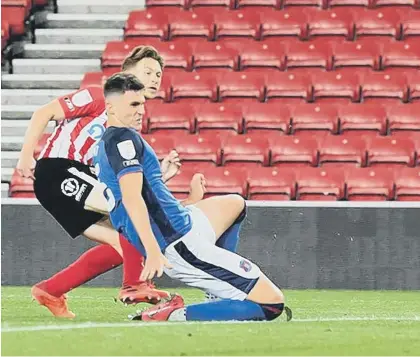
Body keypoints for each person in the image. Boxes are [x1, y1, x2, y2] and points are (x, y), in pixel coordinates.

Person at [94, 72, 291, 322]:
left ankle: (216, 292)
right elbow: (133, 200)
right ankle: (172, 315)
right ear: (110, 106)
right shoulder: (123, 140)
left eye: (143, 103)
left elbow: (143, 195)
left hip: (181, 221)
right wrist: (153, 252)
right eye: (133, 104)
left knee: (235, 204)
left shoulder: (106, 143)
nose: (141, 110)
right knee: (271, 304)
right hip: (178, 242)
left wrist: (189, 199)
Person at [16, 46, 175, 318]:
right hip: (59, 170)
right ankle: (135, 285)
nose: (154, 79)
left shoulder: (128, 121)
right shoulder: (97, 96)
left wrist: (161, 176)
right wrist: (25, 156)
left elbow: (119, 173)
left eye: (158, 74)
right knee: (132, 216)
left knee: (125, 240)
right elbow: (43, 113)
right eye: (147, 71)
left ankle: (51, 289)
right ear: (127, 71)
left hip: (76, 181)